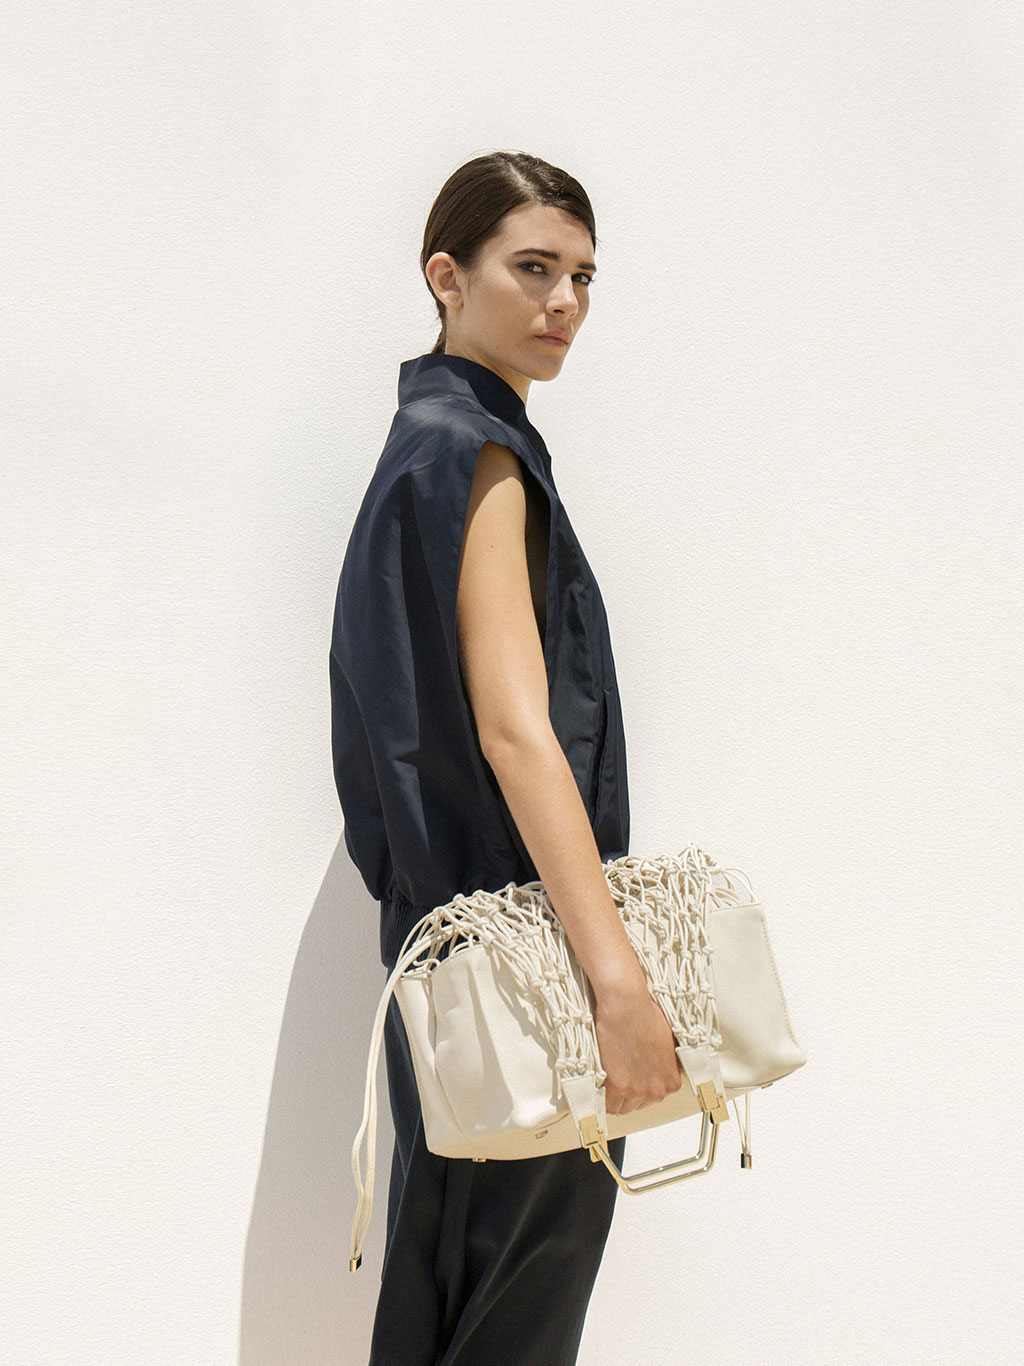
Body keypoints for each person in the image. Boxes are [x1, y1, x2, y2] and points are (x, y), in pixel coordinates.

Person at [329, 150, 684, 1366]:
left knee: (447, 1297)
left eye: (582, 276)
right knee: (510, 1319)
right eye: (532, 267)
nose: (563, 302)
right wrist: (617, 984)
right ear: (446, 275)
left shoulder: (419, 442)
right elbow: (515, 731)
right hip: (523, 969)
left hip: (445, 961)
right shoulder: (478, 454)